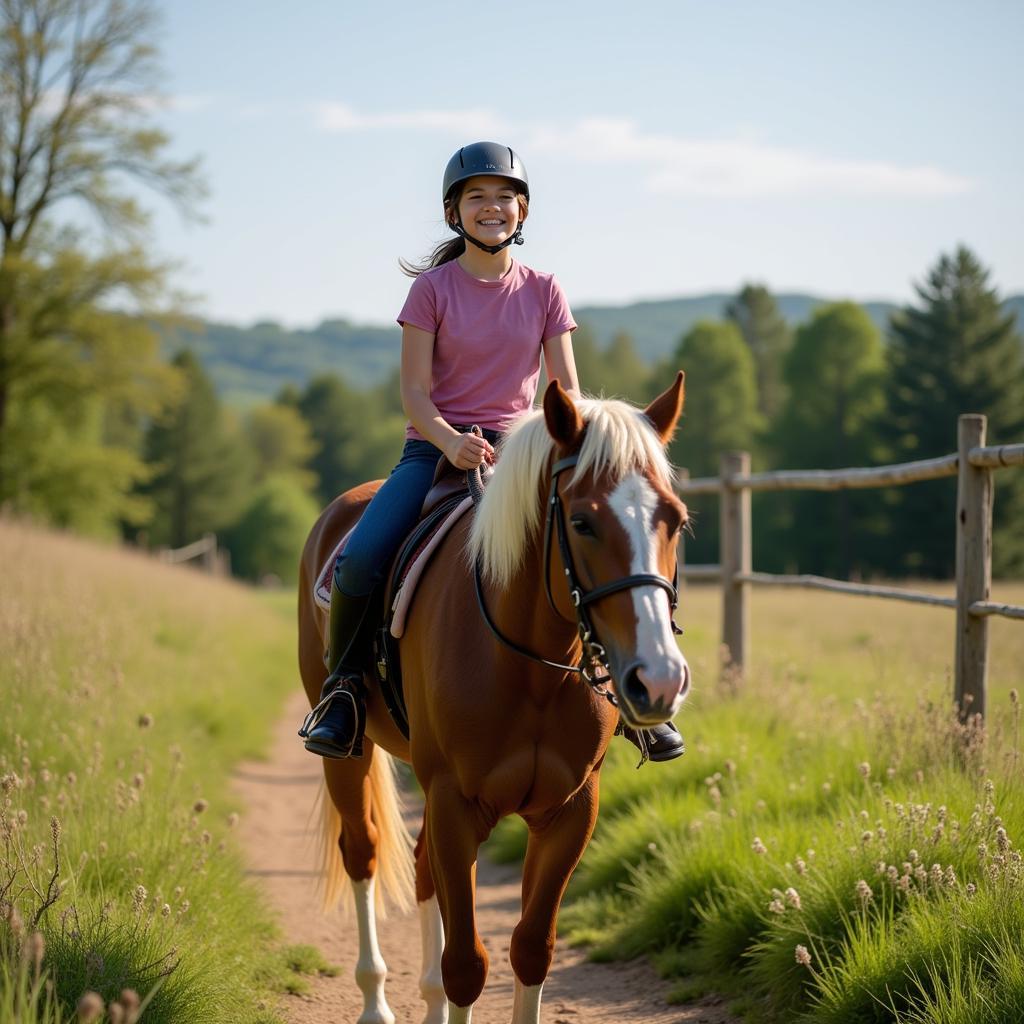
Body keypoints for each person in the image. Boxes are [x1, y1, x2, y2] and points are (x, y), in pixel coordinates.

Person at [299, 141, 684, 764]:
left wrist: (571, 444)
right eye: (477, 197)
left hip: (524, 456)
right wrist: (451, 441)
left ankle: (625, 695)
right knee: (362, 556)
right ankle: (343, 690)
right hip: (435, 452)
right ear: (455, 212)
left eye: (505, 197)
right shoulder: (431, 291)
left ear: (523, 212)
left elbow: (568, 392)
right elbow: (415, 393)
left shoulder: (545, 290)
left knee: (591, 552)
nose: (492, 207)